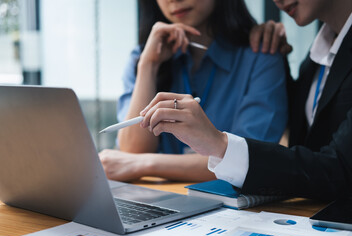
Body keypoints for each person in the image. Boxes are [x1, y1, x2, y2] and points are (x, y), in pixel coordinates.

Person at [140, 0, 352, 200]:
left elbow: (340, 168)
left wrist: (219, 144)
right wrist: (146, 66)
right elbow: (312, 153)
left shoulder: (260, 56)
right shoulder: (319, 55)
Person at [99, 0, 288, 182]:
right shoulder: (144, 57)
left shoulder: (261, 56)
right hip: (164, 198)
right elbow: (133, 151)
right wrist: (148, 66)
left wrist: (146, 164)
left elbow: (248, 159)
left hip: (229, 206)